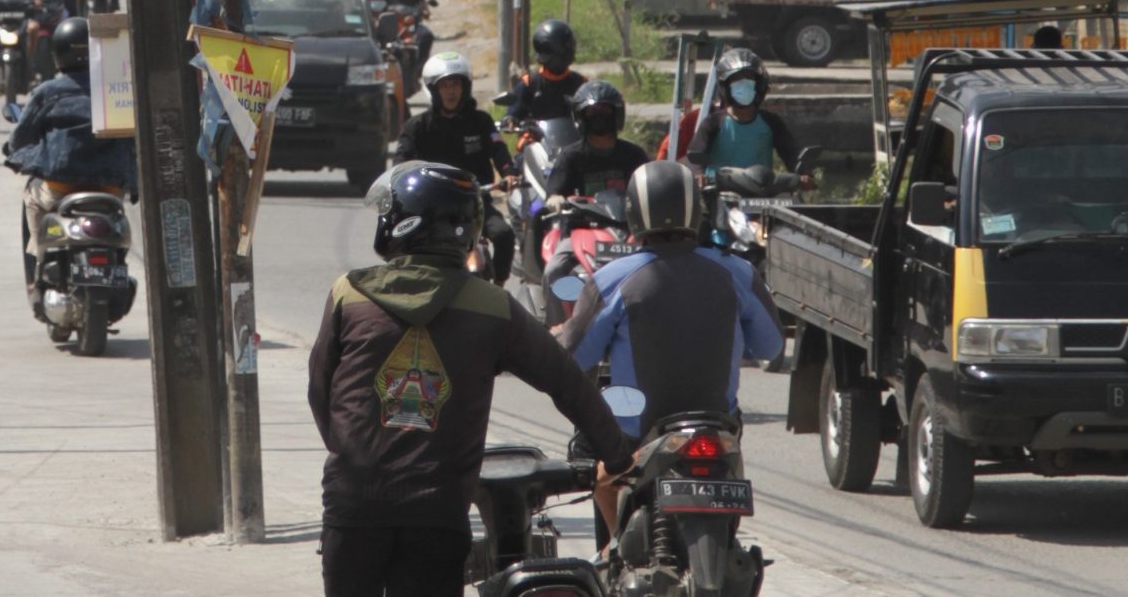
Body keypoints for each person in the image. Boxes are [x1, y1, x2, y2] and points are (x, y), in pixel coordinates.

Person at [308, 161, 632, 597]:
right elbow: (568, 383)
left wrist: (354, 453)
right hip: (438, 511)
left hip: (353, 505)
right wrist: (617, 459)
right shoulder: (494, 307)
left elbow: (320, 390)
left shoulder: (348, 293)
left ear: (401, 223)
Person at [562, 160, 785, 542]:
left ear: (632, 214)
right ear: (695, 210)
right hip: (720, 427)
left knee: (586, 448)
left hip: (637, 434)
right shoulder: (739, 272)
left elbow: (574, 358)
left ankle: (614, 550)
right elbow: (772, 345)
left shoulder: (611, 279)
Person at [2, 17, 139, 313]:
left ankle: (38, 268)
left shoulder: (49, 92)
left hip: (59, 190)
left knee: (32, 199)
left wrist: (16, 153)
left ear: (58, 53)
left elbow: (20, 138)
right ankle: (118, 260)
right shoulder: (119, 90)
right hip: (110, 189)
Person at [393, 52, 517, 283]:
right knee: (405, 242)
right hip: (432, 208)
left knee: (504, 234)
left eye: (456, 84)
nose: (451, 91)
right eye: (445, 85)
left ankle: (498, 291)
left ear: (465, 87)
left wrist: (509, 173)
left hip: (475, 202)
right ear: (433, 90)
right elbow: (400, 162)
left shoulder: (481, 121)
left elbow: (499, 150)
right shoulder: (417, 126)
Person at [684, 48, 811, 189]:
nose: (743, 83)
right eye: (737, 79)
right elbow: (695, 156)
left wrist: (803, 173)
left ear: (759, 84)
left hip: (762, 195)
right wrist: (698, 175)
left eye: (749, 78)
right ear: (726, 86)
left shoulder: (771, 122)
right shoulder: (713, 122)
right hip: (721, 194)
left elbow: (790, 153)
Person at [545, 80, 650, 205]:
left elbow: (650, 189)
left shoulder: (634, 155)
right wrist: (555, 199)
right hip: (585, 222)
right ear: (581, 116)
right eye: (592, 111)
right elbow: (555, 192)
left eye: (605, 110)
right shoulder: (570, 157)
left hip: (626, 223)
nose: (599, 116)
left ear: (616, 114)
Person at [501, 19, 586, 123]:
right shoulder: (530, 82)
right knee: (525, 140)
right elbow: (516, 107)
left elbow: (591, 110)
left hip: (572, 137)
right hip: (535, 136)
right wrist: (511, 118)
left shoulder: (580, 83)